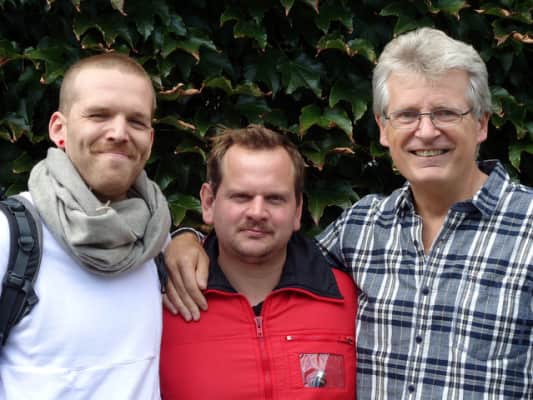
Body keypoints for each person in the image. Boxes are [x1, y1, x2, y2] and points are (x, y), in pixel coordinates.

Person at [164, 27, 533, 399]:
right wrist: (186, 241)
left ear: (481, 123)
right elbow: (266, 249)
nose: (425, 131)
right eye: (406, 115)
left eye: (446, 113)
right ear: (384, 129)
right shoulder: (362, 228)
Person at [0, 53, 171, 399]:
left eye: (136, 122)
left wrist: (186, 239)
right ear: (58, 130)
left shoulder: (158, 242)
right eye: (99, 115)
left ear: (150, 140)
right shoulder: (11, 235)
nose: (119, 133)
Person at [160, 125, 357, 399]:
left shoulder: (348, 298)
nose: (257, 212)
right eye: (241, 196)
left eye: (275, 199)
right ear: (208, 202)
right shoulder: (160, 299)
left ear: (297, 210)